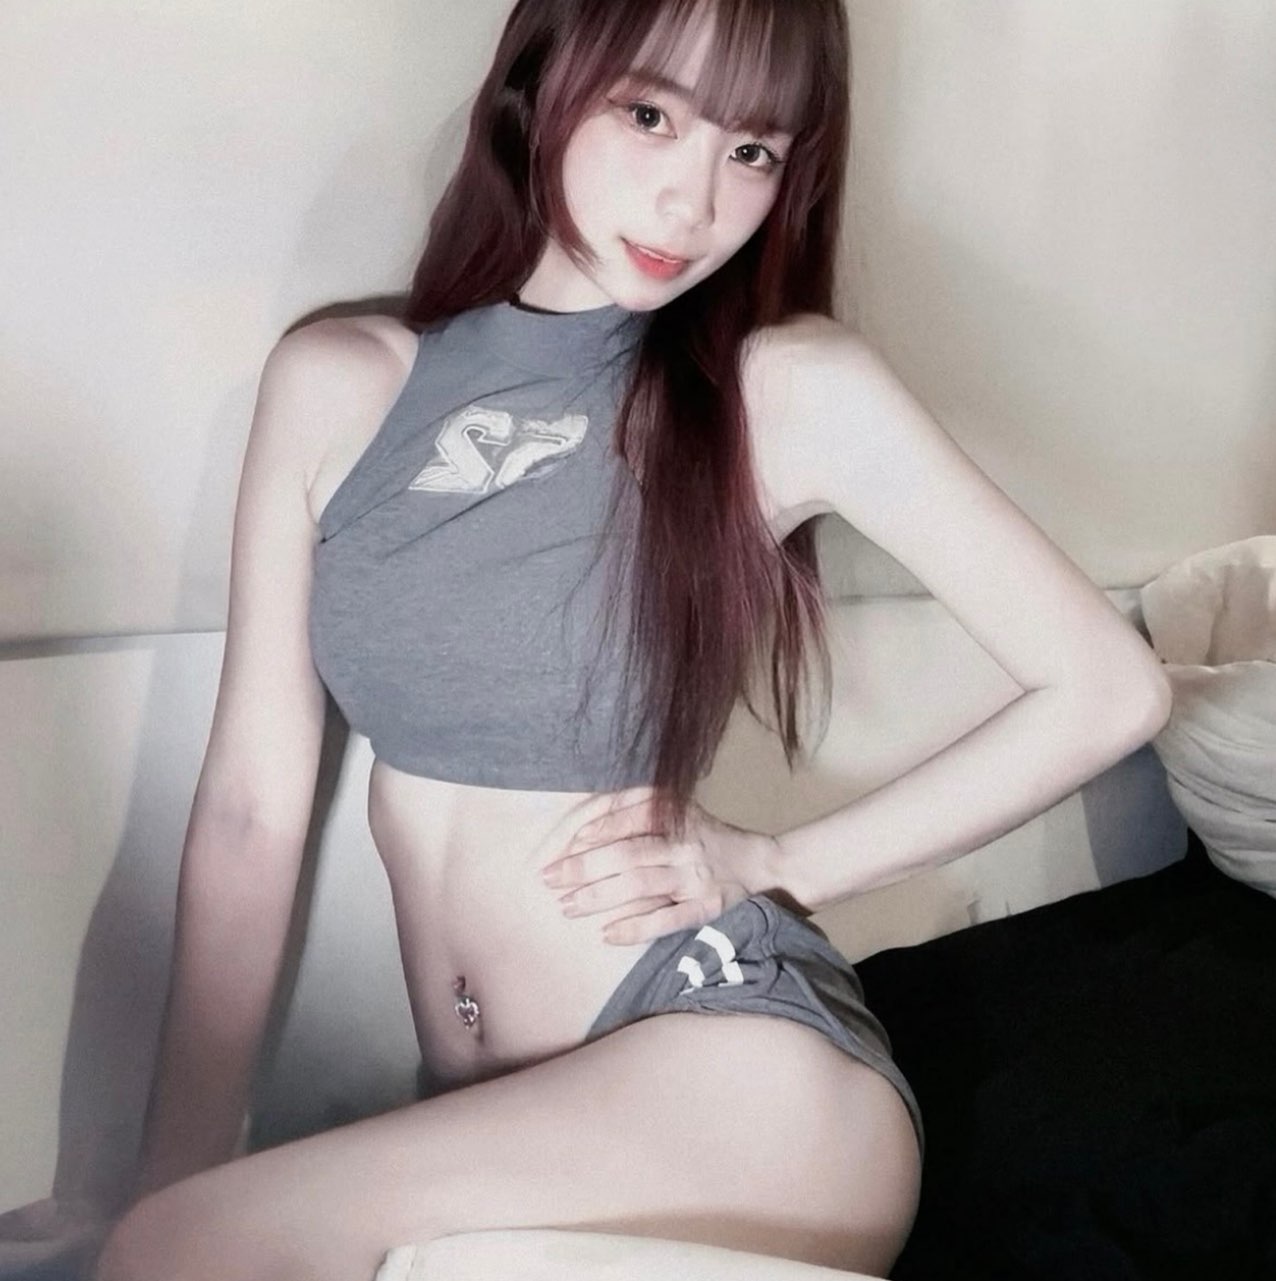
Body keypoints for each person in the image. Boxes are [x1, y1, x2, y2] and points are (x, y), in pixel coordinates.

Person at [94, 0, 1170, 1278]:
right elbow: (247, 815)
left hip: (740, 1081)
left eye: (751, 151)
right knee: (167, 1239)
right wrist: (166, 1173)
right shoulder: (337, 381)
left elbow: (1109, 689)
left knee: (179, 1251)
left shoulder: (782, 387)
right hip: (523, 1120)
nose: (691, 202)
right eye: (650, 115)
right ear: (540, 85)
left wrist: (779, 860)